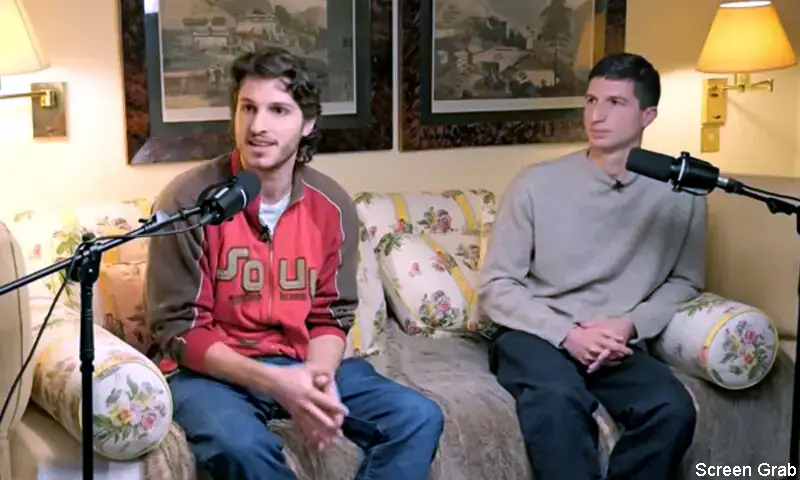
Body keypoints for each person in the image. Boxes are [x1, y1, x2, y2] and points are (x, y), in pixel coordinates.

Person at [145, 47, 444, 480]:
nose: (257, 126)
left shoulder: (332, 206)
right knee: (241, 447)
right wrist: (276, 384)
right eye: (248, 108)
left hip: (298, 361)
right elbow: (178, 329)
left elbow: (331, 314)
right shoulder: (189, 200)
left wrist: (316, 381)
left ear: (308, 124)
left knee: (418, 417)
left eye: (278, 110)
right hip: (211, 376)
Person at [477, 52, 702, 480]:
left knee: (671, 409)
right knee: (558, 403)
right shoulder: (535, 183)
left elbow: (684, 281)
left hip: (615, 343)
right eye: (591, 101)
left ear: (648, 115)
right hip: (537, 334)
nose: (596, 116)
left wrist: (629, 325)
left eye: (615, 103)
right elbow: (497, 285)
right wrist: (567, 334)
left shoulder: (682, 195)